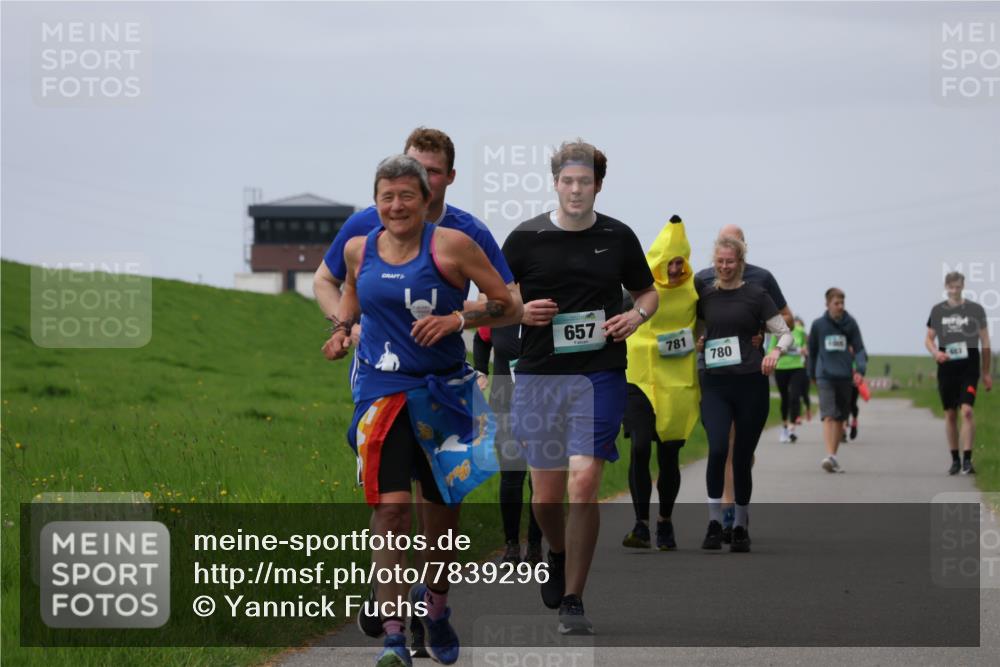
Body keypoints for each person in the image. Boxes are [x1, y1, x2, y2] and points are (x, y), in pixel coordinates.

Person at [313, 127, 518, 657]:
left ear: (430, 195)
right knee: (390, 511)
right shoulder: (360, 246)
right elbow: (348, 294)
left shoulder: (456, 242)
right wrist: (341, 330)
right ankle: (396, 637)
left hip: (445, 393)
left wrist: (457, 319)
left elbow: (509, 304)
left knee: (441, 514)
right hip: (382, 393)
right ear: (375, 199)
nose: (398, 204)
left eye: (409, 194)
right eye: (388, 196)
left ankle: (438, 606)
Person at [502, 139, 657, 635]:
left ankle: (574, 597)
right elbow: (499, 294)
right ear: (555, 182)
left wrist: (636, 315)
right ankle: (557, 551)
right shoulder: (526, 238)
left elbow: (647, 292)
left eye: (585, 181)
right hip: (540, 373)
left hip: (600, 371)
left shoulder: (618, 236)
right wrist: (520, 310)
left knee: (585, 481)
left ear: (598, 185)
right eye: (567, 181)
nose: (575, 189)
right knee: (545, 498)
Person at [695, 225, 793, 542]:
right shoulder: (703, 292)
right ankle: (713, 523)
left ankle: (739, 525)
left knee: (742, 458)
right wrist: (697, 340)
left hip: (750, 384)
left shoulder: (756, 294)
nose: (725, 267)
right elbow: (693, 326)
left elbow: (785, 331)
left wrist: (775, 351)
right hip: (715, 384)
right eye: (720, 261)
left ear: (740, 262)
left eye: (731, 262)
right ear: (715, 261)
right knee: (719, 448)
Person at [621, 215, 699, 551]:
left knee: (669, 456)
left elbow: (720, 320)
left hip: (676, 383)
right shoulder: (637, 291)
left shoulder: (695, 293)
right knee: (639, 448)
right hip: (638, 379)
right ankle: (640, 525)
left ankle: (664, 522)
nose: (674, 268)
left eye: (680, 262)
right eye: (669, 262)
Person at [472, 324, 543, 564]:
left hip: (544, 403)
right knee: (512, 472)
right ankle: (511, 545)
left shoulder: (547, 310)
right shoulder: (500, 313)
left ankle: (535, 545)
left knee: (540, 478)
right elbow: (481, 339)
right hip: (505, 402)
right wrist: (480, 370)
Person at [925, 271, 992, 475]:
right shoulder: (937, 311)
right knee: (951, 414)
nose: (954, 290)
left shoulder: (975, 310)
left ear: (963, 286)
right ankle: (955, 458)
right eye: (951, 287)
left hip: (969, 367)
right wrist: (936, 353)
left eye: (958, 286)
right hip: (947, 368)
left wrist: (986, 372)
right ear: (946, 287)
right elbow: (928, 339)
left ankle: (968, 460)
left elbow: (985, 341)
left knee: (967, 411)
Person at [808, 288, 867, 474]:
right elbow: (813, 351)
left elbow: (859, 349)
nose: (840, 307)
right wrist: (811, 374)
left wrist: (860, 370)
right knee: (828, 415)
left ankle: (833, 456)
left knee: (841, 417)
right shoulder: (818, 325)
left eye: (842, 303)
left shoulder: (851, 324)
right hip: (824, 375)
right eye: (836, 303)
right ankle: (830, 455)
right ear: (827, 304)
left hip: (844, 376)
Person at [766, 315, 809, 443]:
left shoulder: (800, 331)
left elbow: (805, 347)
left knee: (795, 397)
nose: (791, 325)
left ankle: (791, 427)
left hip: (797, 367)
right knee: (785, 398)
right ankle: (784, 426)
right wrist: (780, 350)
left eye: (792, 323)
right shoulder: (777, 333)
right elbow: (770, 350)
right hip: (781, 368)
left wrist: (804, 350)